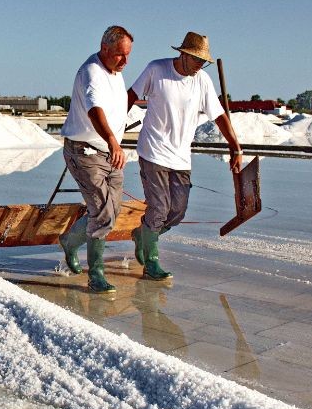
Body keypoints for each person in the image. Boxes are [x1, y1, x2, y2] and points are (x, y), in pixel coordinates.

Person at [127, 32, 243, 280]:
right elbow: (129, 96)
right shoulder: (156, 69)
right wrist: (113, 132)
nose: (201, 66)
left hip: (180, 156)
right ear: (184, 54)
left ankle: (142, 235)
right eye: (197, 60)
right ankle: (152, 262)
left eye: (204, 62)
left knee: (177, 212)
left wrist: (235, 145)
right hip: (153, 151)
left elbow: (219, 115)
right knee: (158, 208)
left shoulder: (202, 81)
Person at [57, 25, 134, 293]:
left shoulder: (116, 72)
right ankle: (96, 275)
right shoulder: (91, 72)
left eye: (128, 56)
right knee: (102, 211)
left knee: (112, 210)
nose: (125, 61)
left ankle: (69, 241)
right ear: (105, 48)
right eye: (120, 55)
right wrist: (113, 141)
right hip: (85, 151)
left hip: (110, 153)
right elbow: (95, 109)